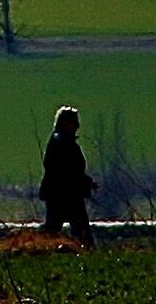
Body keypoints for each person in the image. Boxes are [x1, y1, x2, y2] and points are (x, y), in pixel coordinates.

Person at [38, 105, 98, 246]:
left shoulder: (60, 141)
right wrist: (85, 182)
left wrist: (87, 182)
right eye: (74, 122)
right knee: (79, 228)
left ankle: (40, 246)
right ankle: (86, 251)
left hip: (60, 192)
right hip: (66, 193)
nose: (77, 126)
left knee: (54, 227)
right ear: (65, 123)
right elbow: (69, 170)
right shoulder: (64, 143)